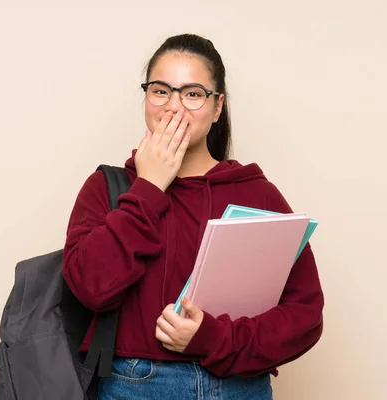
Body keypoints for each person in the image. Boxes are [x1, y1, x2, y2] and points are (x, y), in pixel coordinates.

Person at [62, 33, 324, 400]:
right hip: (134, 386)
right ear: (146, 98)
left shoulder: (256, 192)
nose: (173, 106)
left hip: (239, 389)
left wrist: (212, 339)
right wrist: (150, 186)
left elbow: (305, 315)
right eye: (160, 90)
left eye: (193, 93)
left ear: (218, 108)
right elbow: (90, 288)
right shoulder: (107, 187)